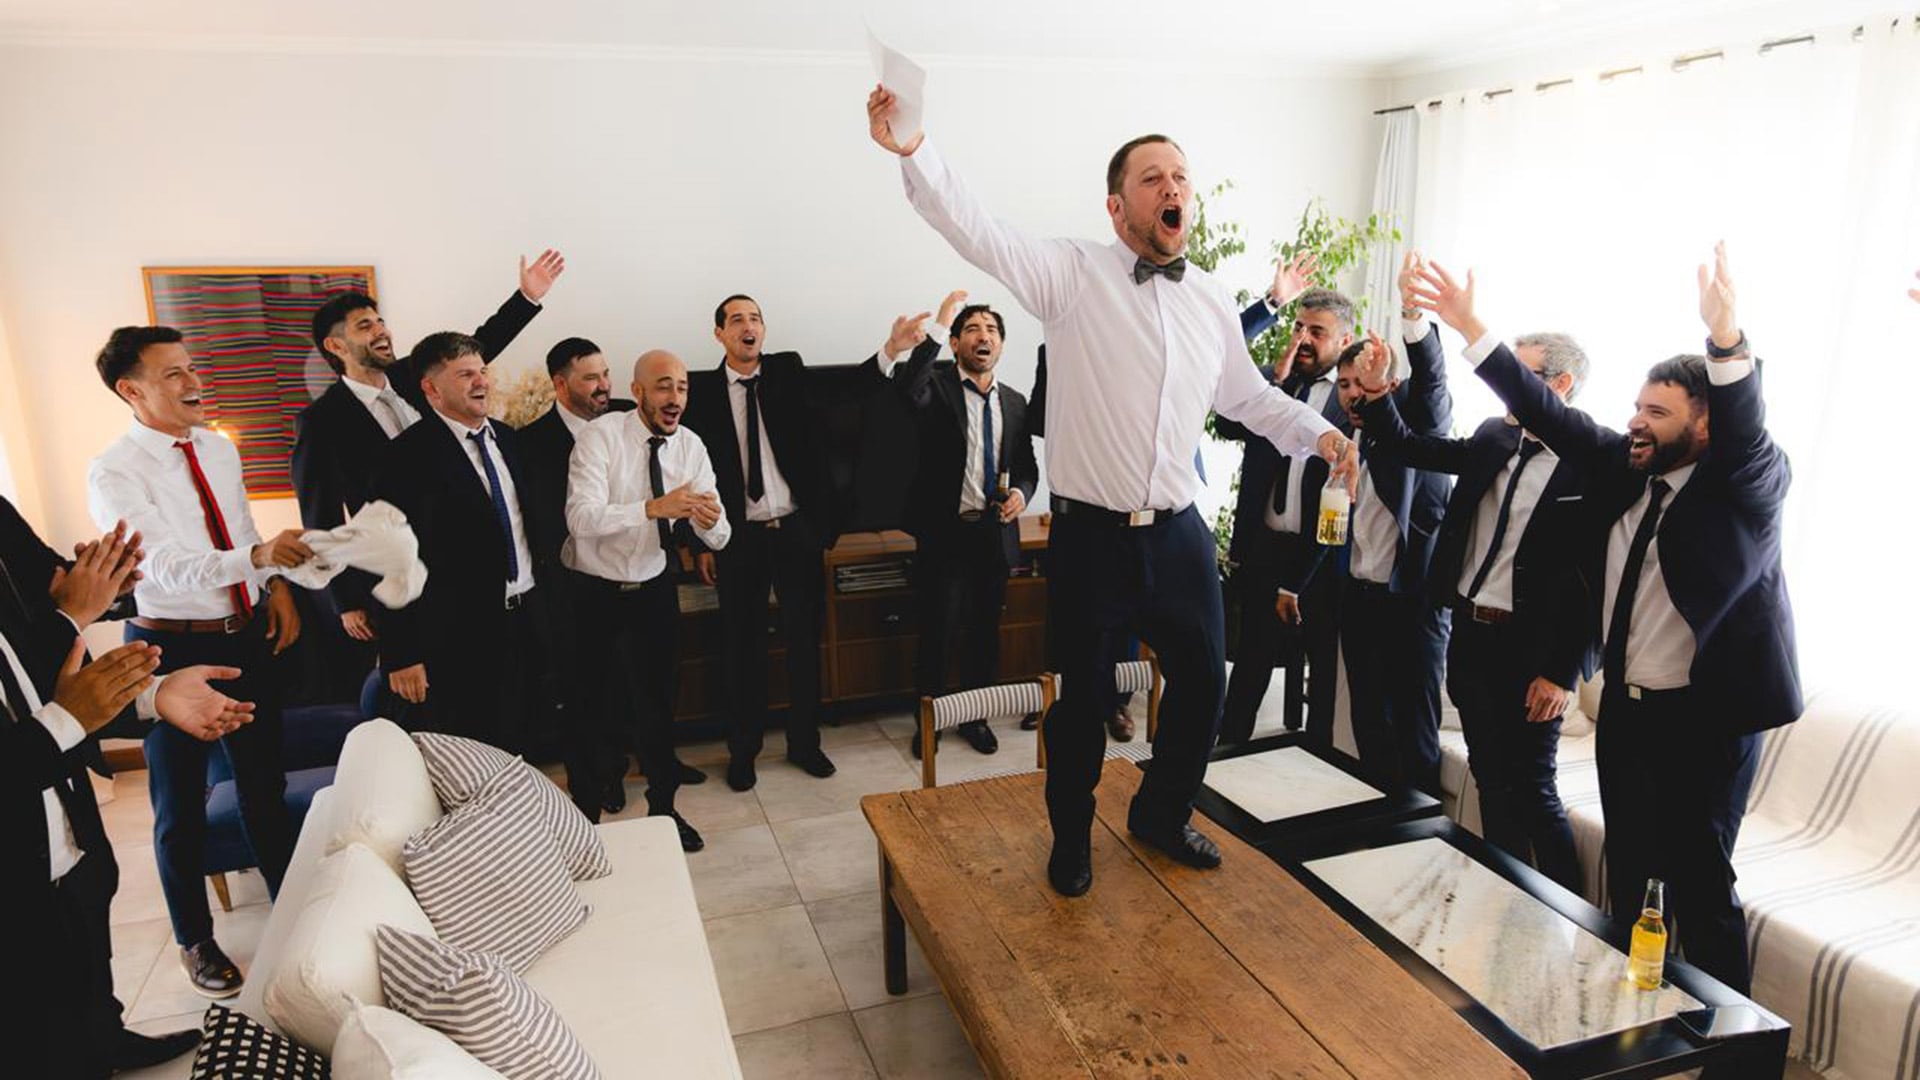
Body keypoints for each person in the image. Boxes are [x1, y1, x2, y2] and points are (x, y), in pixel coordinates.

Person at [869, 86, 1355, 897]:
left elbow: (1248, 398)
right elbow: (977, 230)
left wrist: (1321, 434)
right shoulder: (1071, 273)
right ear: (1117, 202)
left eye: (1182, 178)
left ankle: (1163, 813)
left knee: (1206, 682)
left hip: (1180, 534)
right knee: (1082, 702)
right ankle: (1070, 836)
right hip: (1093, 538)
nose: (1174, 190)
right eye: (1154, 178)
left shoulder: (1208, 300)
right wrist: (915, 147)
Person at [1407, 244, 1799, 995]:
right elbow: (1547, 409)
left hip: (1708, 723)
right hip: (1629, 713)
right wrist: (1470, 327)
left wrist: (1725, 340)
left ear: (1706, 424)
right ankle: (1628, 1014)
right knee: (1633, 875)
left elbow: (1746, 431)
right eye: (1636, 407)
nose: (1637, 423)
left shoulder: (1749, 483)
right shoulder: (1628, 465)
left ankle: (1731, 1054)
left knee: (1701, 887)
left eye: (1658, 412)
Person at [1352, 296, 1598, 892]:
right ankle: (1506, 893)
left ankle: (1575, 920)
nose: (1506, 388)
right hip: (1470, 634)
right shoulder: (1494, 437)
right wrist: (1380, 394)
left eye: (1523, 374)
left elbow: (1597, 584)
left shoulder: (1590, 459)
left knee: (1535, 788)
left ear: (1559, 384)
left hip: (1534, 654)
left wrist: (1564, 674)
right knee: (1490, 777)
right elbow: (1420, 448)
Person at [87, 325, 304, 998]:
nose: (193, 382)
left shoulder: (217, 447)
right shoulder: (114, 471)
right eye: (173, 374)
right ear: (132, 390)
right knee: (177, 805)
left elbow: (239, 527)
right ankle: (194, 939)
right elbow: (164, 567)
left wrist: (275, 587)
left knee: (263, 785)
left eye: (192, 368)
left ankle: (294, 912)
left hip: (243, 635)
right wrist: (259, 558)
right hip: (167, 646)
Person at [4, 498, 255, 1076]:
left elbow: (34, 674)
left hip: (60, 820)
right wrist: (73, 616)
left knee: (85, 924)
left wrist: (150, 694)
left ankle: (107, 1036)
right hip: (15, 857)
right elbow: (61, 627)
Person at [291, 252, 563, 671]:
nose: (381, 332)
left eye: (381, 323)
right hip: (401, 573)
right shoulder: (321, 422)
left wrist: (526, 297)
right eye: (365, 327)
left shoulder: (414, 378)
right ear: (335, 345)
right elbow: (322, 516)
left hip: (466, 559)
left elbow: (476, 347)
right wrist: (345, 601)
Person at [563, 350, 727, 850]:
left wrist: (710, 520)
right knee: (590, 708)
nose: (673, 397)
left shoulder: (692, 446)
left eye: (680, 387)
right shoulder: (601, 437)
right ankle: (584, 824)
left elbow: (721, 538)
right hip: (593, 591)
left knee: (657, 705)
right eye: (662, 386)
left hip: (653, 589)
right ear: (636, 392)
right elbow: (581, 519)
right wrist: (653, 507)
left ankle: (664, 810)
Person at [867, 292, 1039, 759]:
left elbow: (1026, 466)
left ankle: (975, 718)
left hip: (995, 536)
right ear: (958, 343)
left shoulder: (1016, 401)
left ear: (1001, 345)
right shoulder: (936, 388)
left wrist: (1022, 494)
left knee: (985, 634)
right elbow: (906, 388)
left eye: (991, 331)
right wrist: (939, 326)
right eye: (972, 329)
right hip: (946, 536)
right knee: (938, 634)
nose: (983, 336)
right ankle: (930, 723)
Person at [681, 295, 840, 792]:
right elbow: (688, 470)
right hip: (737, 538)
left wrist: (822, 527)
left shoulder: (788, 373)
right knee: (741, 648)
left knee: (802, 643)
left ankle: (804, 743)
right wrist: (701, 541)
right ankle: (744, 750)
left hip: (794, 531)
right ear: (719, 334)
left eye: (755, 319)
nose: (747, 327)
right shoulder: (701, 391)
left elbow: (839, 409)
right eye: (736, 320)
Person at [372, 332, 551, 753]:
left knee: (526, 742)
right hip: (456, 635)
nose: (481, 382)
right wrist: (400, 653)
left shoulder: (510, 439)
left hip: (526, 618)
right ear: (431, 388)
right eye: (465, 374)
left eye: (483, 371)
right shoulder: (404, 458)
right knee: (475, 750)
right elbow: (386, 559)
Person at [1319, 257, 1454, 794]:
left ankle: (1421, 841)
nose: (1350, 393)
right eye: (1344, 383)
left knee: (1414, 734)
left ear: (1386, 381)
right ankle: (1374, 825)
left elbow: (1435, 382)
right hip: (1360, 597)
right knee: (1368, 724)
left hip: (1412, 603)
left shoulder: (1417, 421)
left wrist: (1413, 313)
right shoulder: (1350, 436)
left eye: (1360, 383)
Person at [1217, 273, 1354, 744]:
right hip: (1265, 547)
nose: (1305, 340)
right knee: (1251, 660)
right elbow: (1227, 425)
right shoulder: (1273, 385)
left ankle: (1316, 760)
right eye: (1300, 328)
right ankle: (1227, 754)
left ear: (1344, 339)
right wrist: (1276, 378)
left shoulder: (1351, 400)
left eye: (1317, 332)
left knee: (1322, 668)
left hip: (1321, 556)